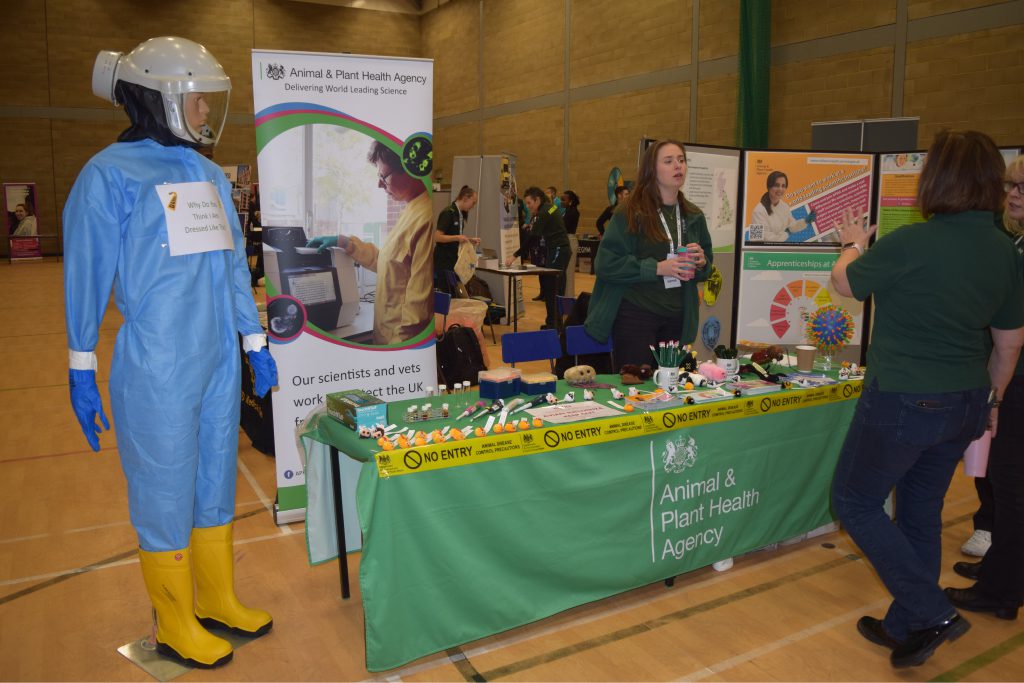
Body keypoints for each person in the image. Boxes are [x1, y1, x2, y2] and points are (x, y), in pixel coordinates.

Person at [64, 36, 278, 669]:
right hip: (158, 363)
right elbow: (85, 273)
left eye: (210, 101)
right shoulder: (108, 175)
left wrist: (253, 340)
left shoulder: (207, 174)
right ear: (159, 97)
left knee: (214, 478)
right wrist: (81, 365)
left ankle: (215, 598)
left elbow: (232, 265)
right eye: (198, 100)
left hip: (217, 360)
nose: (207, 111)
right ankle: (174, 621)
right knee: (164, 486)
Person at [829, 130, 1024, 669]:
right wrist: (992, 402)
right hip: (966, 402)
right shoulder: (1003, 249)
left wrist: (852, 243)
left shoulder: (913, 241)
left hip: (904, 400)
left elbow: (844, 282)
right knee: (920, 509)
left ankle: (930, 611)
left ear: (937, 179)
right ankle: (907, 625)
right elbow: (1009, 344)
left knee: (854, 501)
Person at [945, 154, 1024, 621]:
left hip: (1016, 381)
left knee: (1011, 486)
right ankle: (1002, 570)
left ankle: (1001, 591)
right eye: (1010, 185)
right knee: (1002, 481)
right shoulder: (1014, 242)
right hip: (1009, 376)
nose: (1012, 194)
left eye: (1022, 188)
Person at [583, 140, 712, 369]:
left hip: (678, 316)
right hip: (636, 315)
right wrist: (657, 268)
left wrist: (701, 263)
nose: (678, 166)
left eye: (681, 160)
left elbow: (706, 267)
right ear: (652, 169)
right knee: (636, 383)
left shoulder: (693, 215)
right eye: (668, 161)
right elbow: (606, 263)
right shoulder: (630, 211)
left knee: (671, 383)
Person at [307, 141, 433, 345]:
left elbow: (418, 307)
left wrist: (398, 352)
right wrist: (344, 242)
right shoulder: (410, 209)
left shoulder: (426, 216)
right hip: (386, 337)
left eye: (383, 176)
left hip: (400, 344)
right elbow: (388, 263)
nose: (379, 184)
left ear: (408, 169)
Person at [517, 186, 570, 329]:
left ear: (537, 200)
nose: (528, 207)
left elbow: (533, 237)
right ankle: (554, 323)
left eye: (529, 203)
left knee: (552, 288)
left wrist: (516, 255)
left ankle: (554, 325)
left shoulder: (543, 213)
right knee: (553, 288)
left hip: (558, 250)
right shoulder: (550, 207)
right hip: (558, 250)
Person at [434, 185, 479, 292]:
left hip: (453, 260)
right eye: (473, 203)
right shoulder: (448, 213)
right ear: (465, 198)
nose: (473, 206)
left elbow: (454, 235)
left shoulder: (460, 214)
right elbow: (437, 237)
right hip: (444, 261)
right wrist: (457, 237)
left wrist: (468, 239)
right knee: (447, 293)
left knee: (455, 293)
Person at [750, 171, 816, 242]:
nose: (780, 189)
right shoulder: (757, 211)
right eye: (776, 185)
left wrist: (805, 221)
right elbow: (765, 240)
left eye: (783, 186)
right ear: (769, 186)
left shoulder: (784, 206)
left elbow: (791, 226)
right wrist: (786, 233)